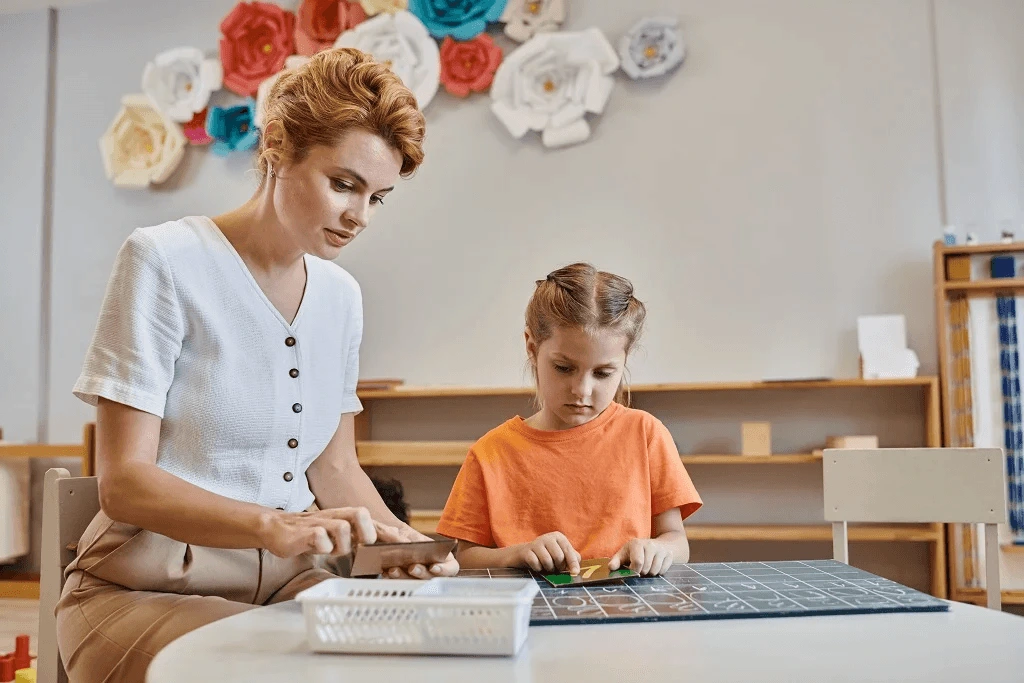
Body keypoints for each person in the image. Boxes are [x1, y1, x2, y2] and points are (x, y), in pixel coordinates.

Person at [56, 48, 457, 683]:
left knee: (414, 654)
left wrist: (417, 550)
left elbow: (334, 468)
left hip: (290, 590)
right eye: (344, 183)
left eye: (378, 197)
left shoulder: (341, 297)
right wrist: (272, 526)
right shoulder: (164, 260)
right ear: (276, 145)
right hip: (143, 590)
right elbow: (124, 482)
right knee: (277, 665)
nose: (359, 216)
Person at [436, 263, 702, 577]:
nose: (581, 390)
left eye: (603, 373)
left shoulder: (646, 434)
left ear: (624, 361)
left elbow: (677, 541)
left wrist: (658, 550)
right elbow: (464, 558)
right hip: (534, 617)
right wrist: (518, 553)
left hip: (628, 615)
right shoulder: (490, 453)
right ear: (532, 348)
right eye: (564, 368)